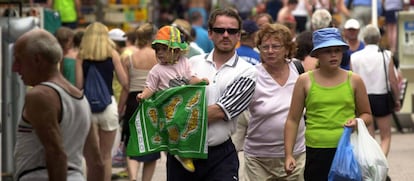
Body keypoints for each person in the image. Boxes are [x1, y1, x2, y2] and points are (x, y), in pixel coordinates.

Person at [166, 8, 257, 181]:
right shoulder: (192, 63)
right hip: (182, 152)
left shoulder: (247, 72)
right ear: (210, 33)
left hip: (219, 156)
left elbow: (221, 111)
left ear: (238, 36)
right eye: (219, 30)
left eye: (231, 31)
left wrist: (178, 117)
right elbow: (171, 97)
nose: (225, 35)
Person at [13, 29, 104, 181]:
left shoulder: (39, 95)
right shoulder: (80, 99)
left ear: (37, 59)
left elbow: (56, 153)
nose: (15, 68)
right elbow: (96, 163)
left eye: (19, 60)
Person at [284, 27, 373, 180]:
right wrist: (289, 155)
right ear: (317, 54)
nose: (333, 55)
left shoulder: (354, 80)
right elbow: (292, 119)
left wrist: (357, 122)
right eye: (327, 50)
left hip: (347, 149)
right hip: (316, 151)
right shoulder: (304, 81)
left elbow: (367, 115)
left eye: (337, 50)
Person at [136, 25, 209, 173]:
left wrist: (201, 81)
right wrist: (143, 95)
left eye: (164, 49)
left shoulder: (185, 63)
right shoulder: (156, 70)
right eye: (157, 50)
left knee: (192, 123)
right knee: (175, 123)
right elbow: (150, 87)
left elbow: (191, 79)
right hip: (166, 107)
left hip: (183, 103)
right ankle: (179, 154)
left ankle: (187, 152)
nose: (160, 53)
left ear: (176, 51)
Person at [243, 23, 306, 181]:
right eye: (265, 47)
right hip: (258, 159)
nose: (270, 51)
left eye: (276, 46)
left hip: (296, 155)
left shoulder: (298, 69)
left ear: (287, 48)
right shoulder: (252, 75)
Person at [76, 22, 128, 181]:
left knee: (92, 159)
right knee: (106, 156)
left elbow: (78, 86)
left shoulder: (81, 55)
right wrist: (120, 107)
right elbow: (125, 83)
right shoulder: (112, 54)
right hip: (108, 107)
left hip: (87, 108)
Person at [118, 22, 161, 181]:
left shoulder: (129, 57)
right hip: (153, 103)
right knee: (152, 147)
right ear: (153, 37)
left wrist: (120, 108)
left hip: (132, 102)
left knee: (132, 144)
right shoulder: (158, 56)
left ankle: (133, 177)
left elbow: (125, 87)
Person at [350, 24, 401, 158]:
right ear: (379, 38)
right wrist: (397, 99)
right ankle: (382, 164)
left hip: (363, 99)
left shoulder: (354, 57)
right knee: (385, 136)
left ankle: (372, 166)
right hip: (382, 97)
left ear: (364, 39)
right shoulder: (386, 55)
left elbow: (351, 81)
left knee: (369, 137)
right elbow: (393, 81)